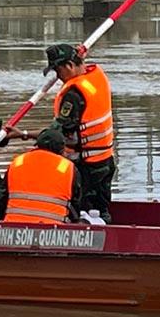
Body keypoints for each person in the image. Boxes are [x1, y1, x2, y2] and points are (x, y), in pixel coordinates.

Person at [44, 43, 116, 222]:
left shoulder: (74, 94)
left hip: (85, 166)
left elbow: (57, 133)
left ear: (69, 65)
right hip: (105, 160)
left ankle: (91, 236)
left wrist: (22, 134)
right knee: (100, 209)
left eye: (58, 71)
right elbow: (81, 64)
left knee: (82, 211)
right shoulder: (96, 77)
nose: (58, 77)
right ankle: (108, 230)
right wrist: (80, 56)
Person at [3, 127, 82, 224]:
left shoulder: (17, 162)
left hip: (13, 225)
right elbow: (75, 203)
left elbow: (2, 198)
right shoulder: (68, 167)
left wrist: (0, 223)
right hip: (54, 228)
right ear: (61, 149)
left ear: (37, 145)